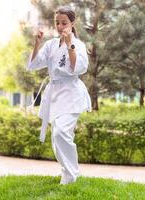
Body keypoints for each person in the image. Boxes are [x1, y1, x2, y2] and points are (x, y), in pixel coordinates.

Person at [27, 5, 91, 185]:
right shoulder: (51, 45)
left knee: (61, 132)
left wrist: (70, 43)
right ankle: (68, 172)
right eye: (57, 23)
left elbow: (77, 68)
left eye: (64, 23)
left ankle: (71, 175)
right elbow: (33, 65)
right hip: (54, 95)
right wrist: (37, 44)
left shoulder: (78, 44)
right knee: (57, 135)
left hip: (72, 94)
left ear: (72, 23)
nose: (60, 26)